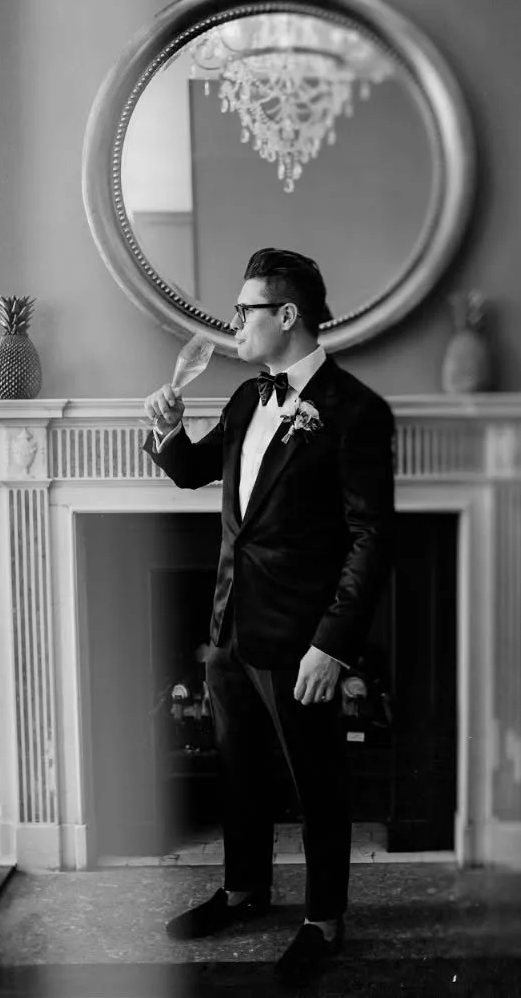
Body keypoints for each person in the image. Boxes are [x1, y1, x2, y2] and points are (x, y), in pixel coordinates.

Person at [142, 248, 395, 984]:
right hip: (229, 629)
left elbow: (372, 538)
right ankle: (243, 890)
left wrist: (332, 646)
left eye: (244, 309)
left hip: (301, 640)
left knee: (317, 782)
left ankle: (323, 921)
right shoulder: (245, 399)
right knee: (239, 771)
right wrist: (167, 431)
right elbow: (192, 471)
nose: (234, 322)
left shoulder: (356, 411)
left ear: (287, 315)